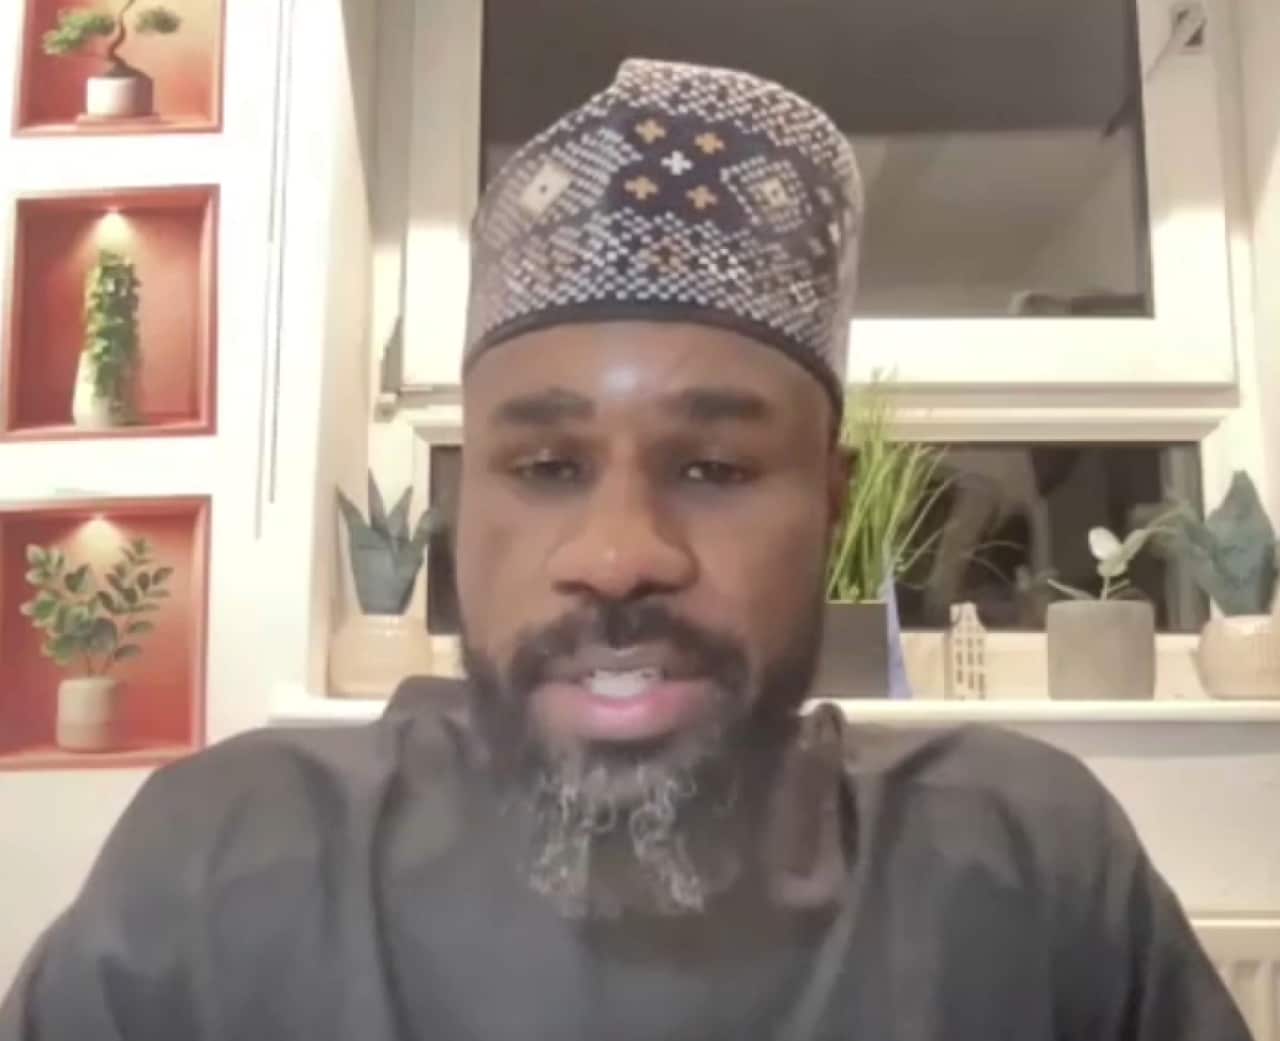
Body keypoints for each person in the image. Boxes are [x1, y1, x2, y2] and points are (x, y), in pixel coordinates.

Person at [0, 59, 1251, 1041]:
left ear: (830, 503)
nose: (615, 555)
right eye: (544, 469)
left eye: (712, 469)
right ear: (460, 507)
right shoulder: (226, 870)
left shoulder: (1021, 866)